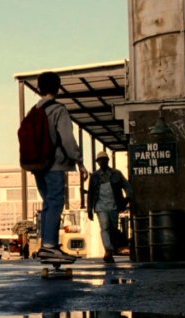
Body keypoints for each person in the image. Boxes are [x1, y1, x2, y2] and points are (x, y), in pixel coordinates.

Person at [32, 72, 89, 261]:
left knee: (48, 203)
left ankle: (47, 245)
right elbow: (67, 139)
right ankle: (50, 246)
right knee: (56, 203)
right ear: (58, 87)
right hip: (55, 164)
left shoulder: (34, 111)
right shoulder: (58, 110)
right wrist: (79, 161)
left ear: (39, 88)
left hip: (38, 165)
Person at [87, 151, 133, 264]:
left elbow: (126, 185)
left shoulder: (116, 173)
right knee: (105, 226)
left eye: (104, 159)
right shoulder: (94, 176)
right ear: (97, 162)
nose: (102, 161)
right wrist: (90, 210)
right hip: (100, 206)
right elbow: (91, 194)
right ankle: (108, 250)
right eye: (100, 160)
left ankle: (110, 251)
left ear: (108, 160)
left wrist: (128, 198)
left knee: (112, 228)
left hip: (114, 205)